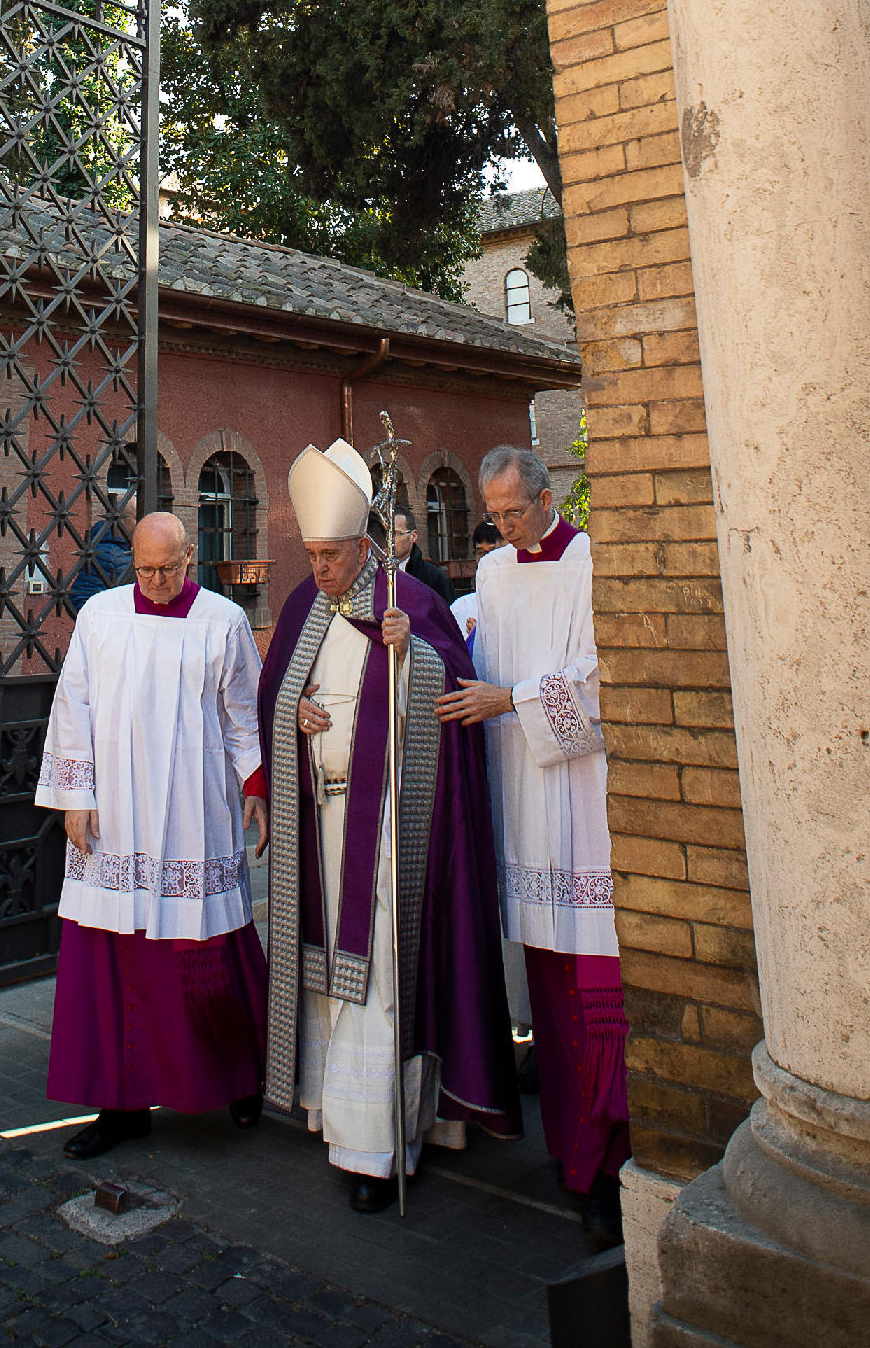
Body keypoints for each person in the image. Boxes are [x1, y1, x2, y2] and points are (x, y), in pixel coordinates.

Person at [257, 440, 519, 1213]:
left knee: (378, 974)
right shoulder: (305, 603)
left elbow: (455, 692)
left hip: (392, 833)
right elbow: (275, 697)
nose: (321, 569)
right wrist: (292, 716)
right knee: (330, 972)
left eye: (332, 555)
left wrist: (415, 658)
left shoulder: (412, 600)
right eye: (310, 554)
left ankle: (375, 1146)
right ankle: (328, 1110)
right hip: (323, 818)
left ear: (363, 545)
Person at [436, 445, 629, 1248]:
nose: (504, 526)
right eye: (495, 515)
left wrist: (507, 699)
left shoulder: (592, 567)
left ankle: (613, 1165)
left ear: (549, 499)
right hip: (521, 802)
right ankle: (573, 1155)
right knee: (548, 1000)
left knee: (598, 998)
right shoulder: (492, 575)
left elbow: (598, 684)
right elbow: (467, 666)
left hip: (583, 808)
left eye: (514, 512)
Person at [37, 508, 270, 1157]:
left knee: (206, 961)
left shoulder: (222, 622)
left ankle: (240, 1079)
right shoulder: (100, 617)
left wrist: (254, 788)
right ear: (130, 563)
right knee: (114, 965)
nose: (158, 580)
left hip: (195, 816)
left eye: (169, 568)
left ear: (190, 559)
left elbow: (244, 715)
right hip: (113, 816)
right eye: (145, 569)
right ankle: (121, 1106)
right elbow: (72, 707)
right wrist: (73, 797)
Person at [67, 492, 135, 612]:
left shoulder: (129, 549)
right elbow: (80, 599)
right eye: (137, 517)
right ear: (123, 520)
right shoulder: (106, 554)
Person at [450, 520, 504, 650]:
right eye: (480, 552)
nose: (486, 559)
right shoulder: (462, 607)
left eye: (491, 551)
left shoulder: (520, 601)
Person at [389, 512, 452, 605]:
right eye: (386, 533)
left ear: (413, 536)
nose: (389, 540)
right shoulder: (375, 575)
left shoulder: (436, 579)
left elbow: (447, 617)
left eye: (396, 533)